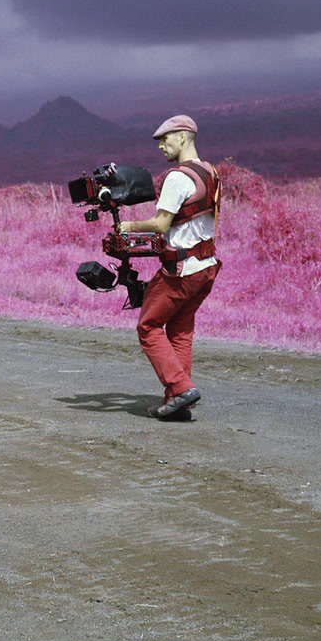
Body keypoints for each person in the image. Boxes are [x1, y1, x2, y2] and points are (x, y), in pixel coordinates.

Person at [116, 115, 222, 421]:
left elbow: (162, 224)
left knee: (148, 326)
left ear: (184, 136)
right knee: (180, 330)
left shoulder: (178, 177)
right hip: (207, 266)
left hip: (183, 268)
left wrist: (129, 225)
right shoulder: (211, 171)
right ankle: (178, 404)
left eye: (166, 139)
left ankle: (181, 388)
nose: (162, 146)